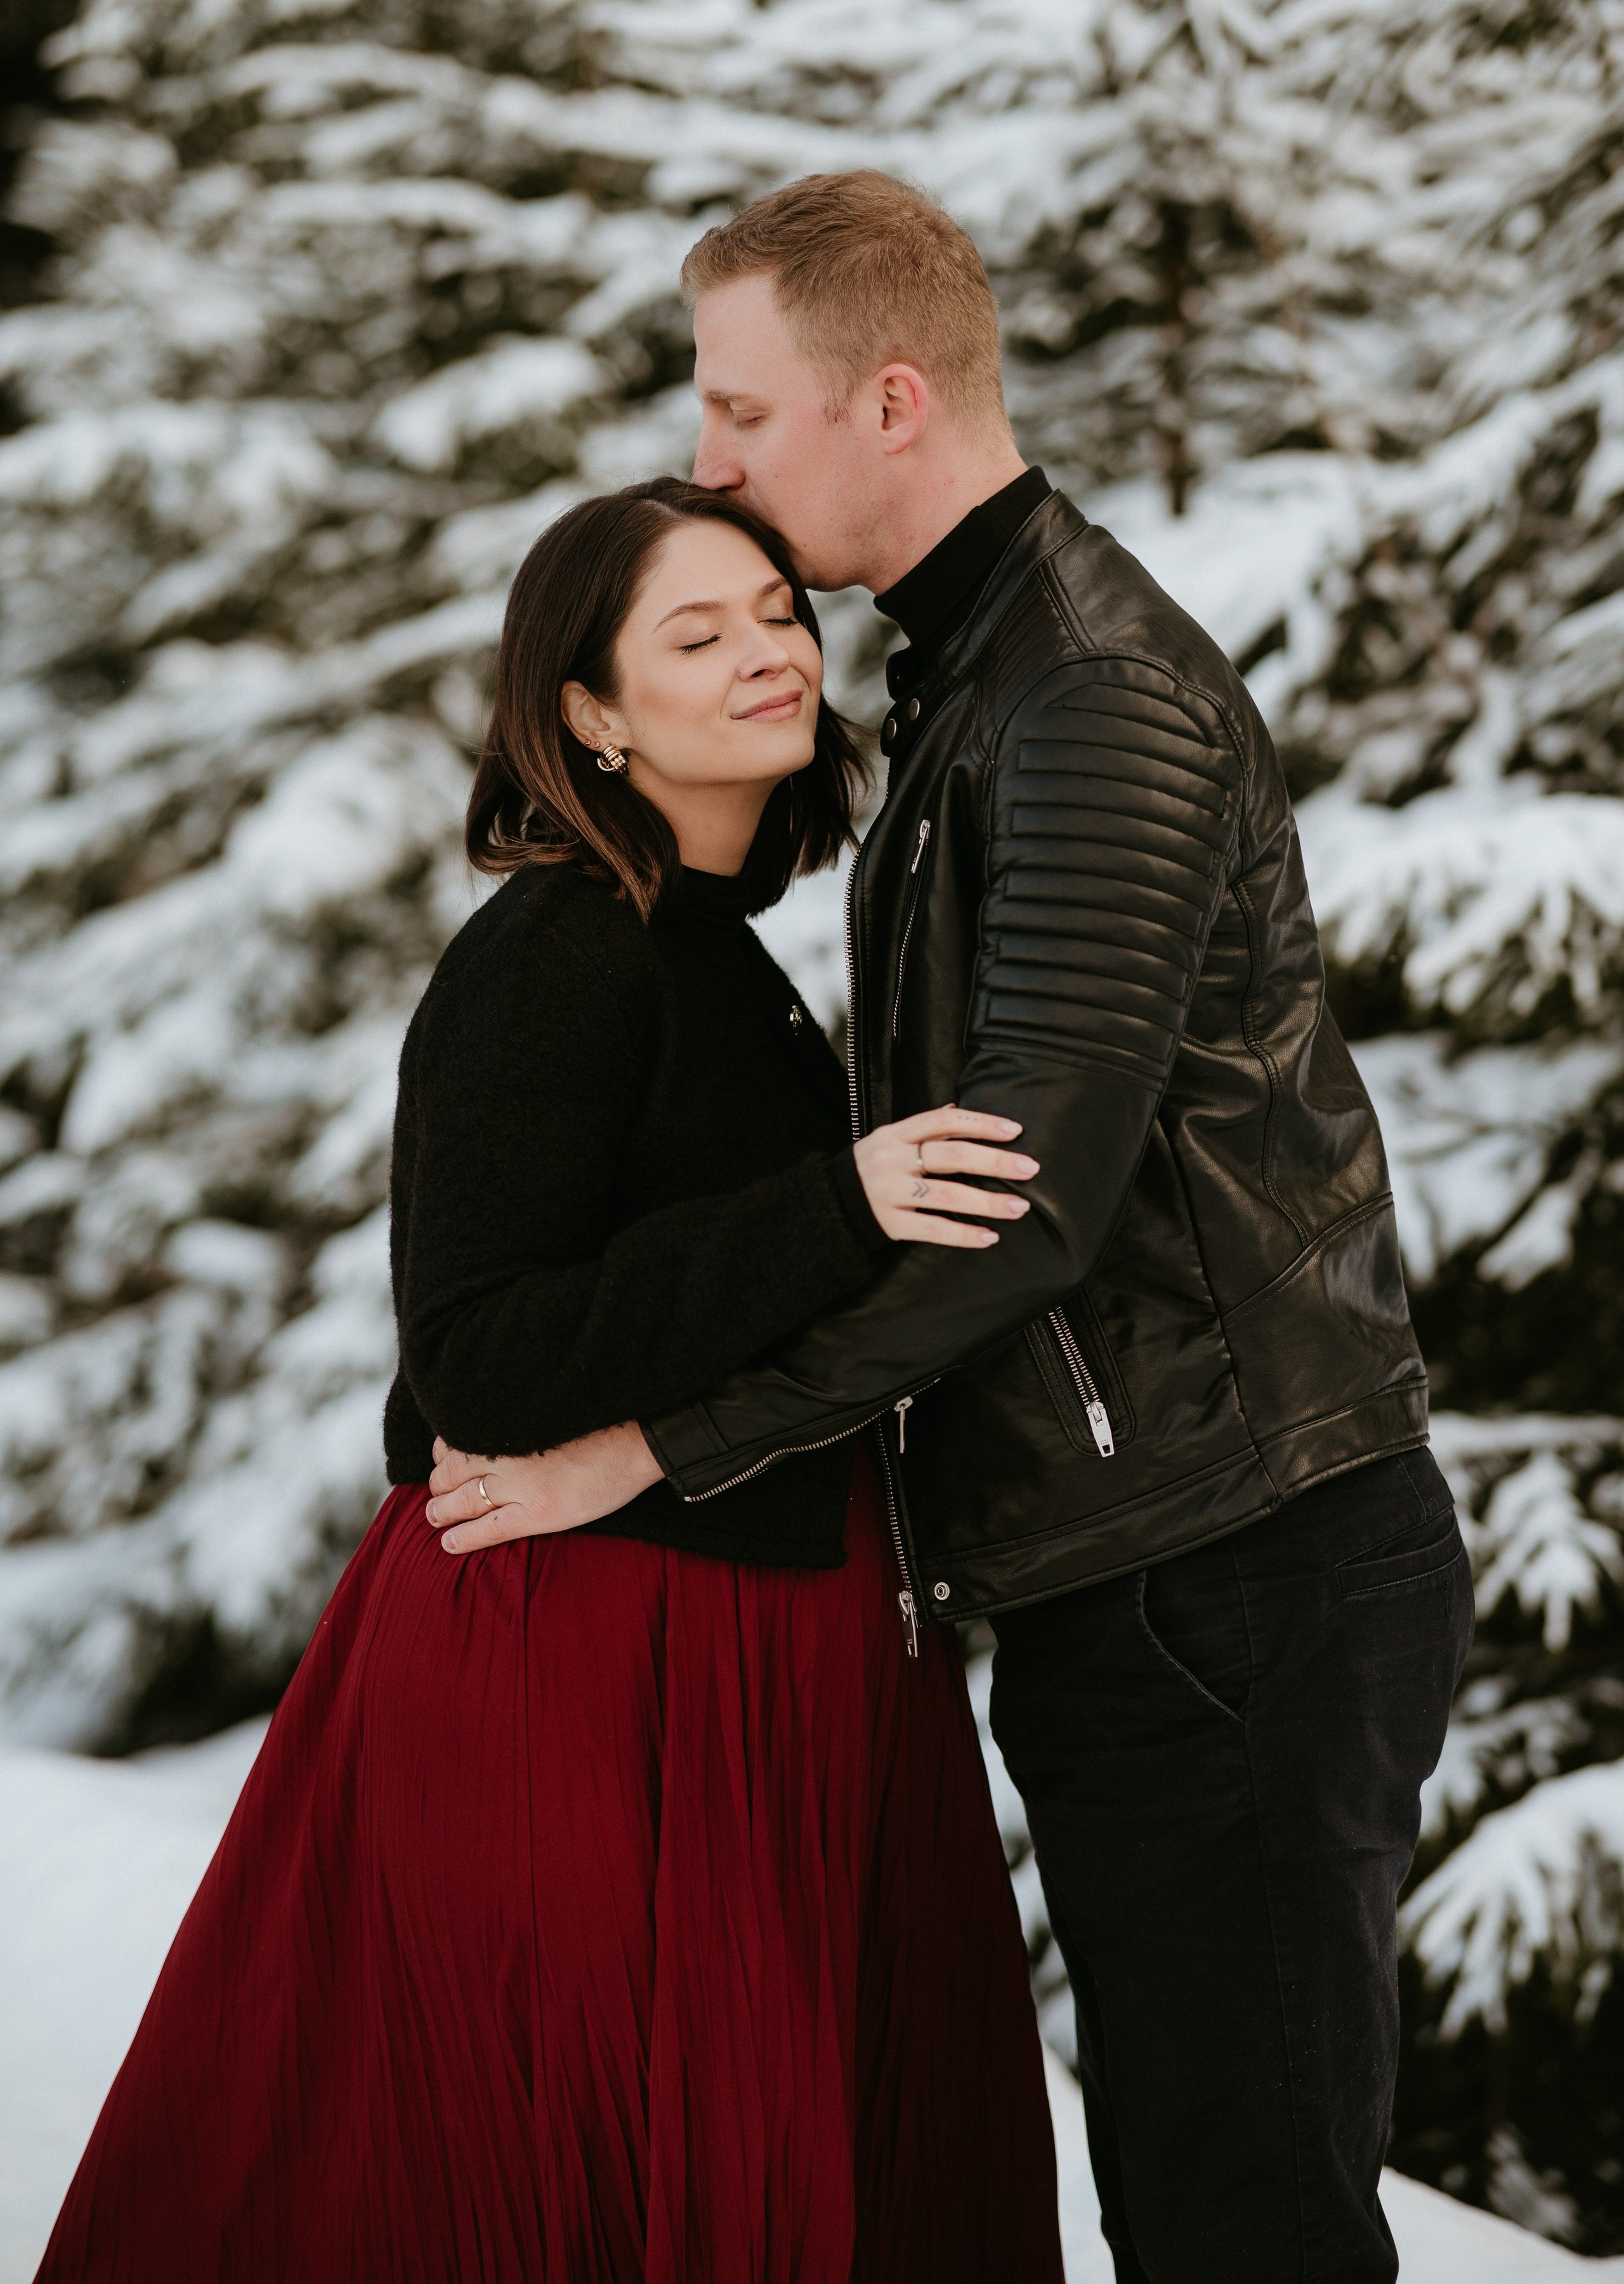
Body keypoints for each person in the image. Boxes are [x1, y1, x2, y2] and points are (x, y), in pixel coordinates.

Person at [435, 174, 1475, 2284]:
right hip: (1168, 1561)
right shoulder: (981, 674)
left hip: (1231, 1565)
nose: (706, 464)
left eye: (740, 412)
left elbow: (1025, 1216)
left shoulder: (1082, 696)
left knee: (1243, 2221)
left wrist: (660, 1450)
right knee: (1210, 2194)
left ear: (887, 400)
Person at [36, 478, 1065, 2284]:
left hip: (732, 1631)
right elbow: (481, 1352)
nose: (767, 650)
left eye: (774, 611)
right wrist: (837, 1203)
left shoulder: (710, 954)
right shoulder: (559, 952)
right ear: (587, 712)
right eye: (697, 633)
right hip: (590, 1658)